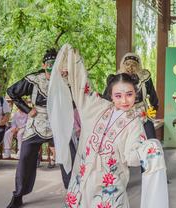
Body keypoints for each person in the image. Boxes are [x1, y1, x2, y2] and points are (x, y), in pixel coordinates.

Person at [48, 44, 168, 208]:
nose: (124, 100)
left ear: (136, 94)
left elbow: (131, 157)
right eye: (118, 95)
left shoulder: (134, 122)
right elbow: (82, 85)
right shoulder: (96, 107)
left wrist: (148, 148)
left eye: (129, 94)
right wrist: (72, 60)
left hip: (110, 184)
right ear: (110, 95)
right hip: (82, 177)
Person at [6, 48, 58, 208]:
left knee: (71, 155)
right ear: (43, 65)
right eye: (49, 63)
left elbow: (78, 99)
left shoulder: (67, 79)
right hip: (36, 122)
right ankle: (18, 195)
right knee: (25, 157)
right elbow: (12, 91)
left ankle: (75, 192)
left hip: (58, 123)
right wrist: (28, 110)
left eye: (55, 63)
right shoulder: (34, 79)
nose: (52, 66)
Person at [103, 52, 158, 139]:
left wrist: (154, 108)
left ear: (139, 66)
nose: (130, 67)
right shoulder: (116, 79)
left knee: (150, 138)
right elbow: (106, 98)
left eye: (134, 64)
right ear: (122, 65)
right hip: (121, 113)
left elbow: (153, 96)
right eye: (127, 64)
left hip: (141, 113)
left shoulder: (144, 78)